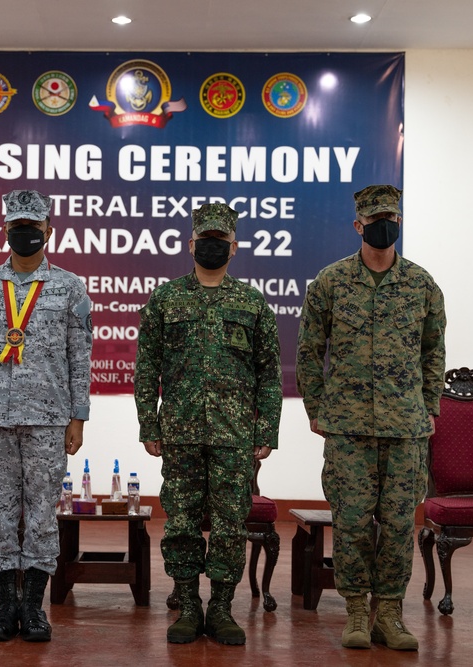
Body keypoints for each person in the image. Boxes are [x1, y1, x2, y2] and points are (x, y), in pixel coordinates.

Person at [296, 184, 446, 651]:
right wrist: (317, 409)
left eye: (392, 219)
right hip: (348, 428)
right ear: (358, 225)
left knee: (400, 523)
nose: (385, 226)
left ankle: (391, 614)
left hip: (405, 428)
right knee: (353, 521)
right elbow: (307, 351)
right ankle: (357, 611)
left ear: (398, 224)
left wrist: (430, 408)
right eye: (376, 219)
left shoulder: (422, 285)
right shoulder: (330, 282)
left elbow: (433, 353)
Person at [134, 203, 282, 646]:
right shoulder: (166, 298)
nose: (213, 246)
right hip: (179, 431)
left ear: (234, 247)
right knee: (179, 520)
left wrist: (266, 432)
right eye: (206, 239)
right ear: (191, 243)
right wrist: (149, 425)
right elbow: (147, 369)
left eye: (222, 240)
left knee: (230, 523)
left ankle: (220, 607)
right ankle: (187, 604)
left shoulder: (251, 303)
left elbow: (269, 373)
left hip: (233, 437)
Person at [0, 189, 93, 643]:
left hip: (48, 418)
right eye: (16, 227)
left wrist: (78, 417)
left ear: (48, 231)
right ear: (4, 231)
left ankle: (34, 608)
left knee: (41, 514)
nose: (24, 234)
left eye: (32, 228)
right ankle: (4, 607)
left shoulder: (70, 287)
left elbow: (80, 357)